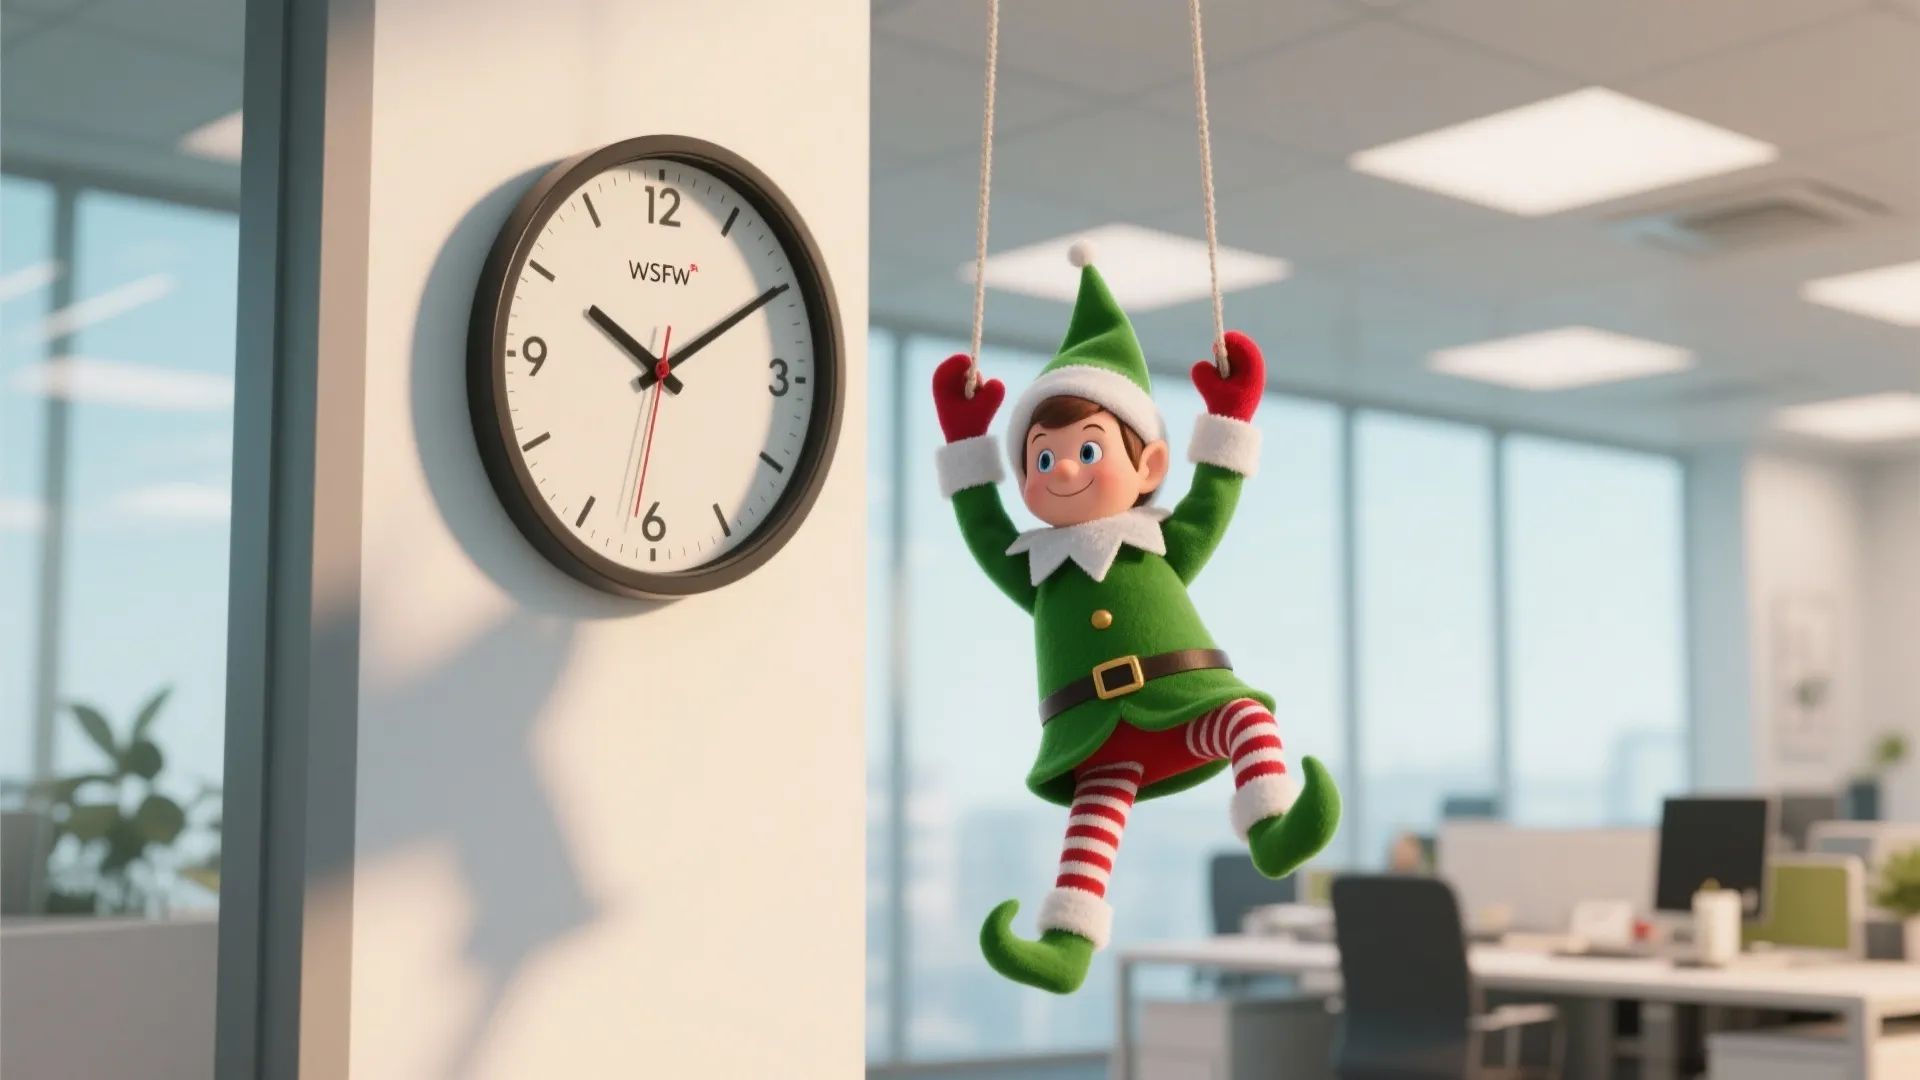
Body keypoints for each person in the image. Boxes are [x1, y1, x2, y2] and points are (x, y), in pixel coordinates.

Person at [928, 247, 1339, 994]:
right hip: (1090, 727)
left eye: (1085, 449)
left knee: (1248, 718)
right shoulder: (1036, 567)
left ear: (1148, 467)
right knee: (1092, 822)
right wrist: (965, 442)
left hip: (1182, 699)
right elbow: (984, 530)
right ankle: (1067, 945)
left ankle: (1272, 826)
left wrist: (1228, 417)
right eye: (1040, 459)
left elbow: (1213, 501)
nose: (1063, 471)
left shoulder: (1156, 544)